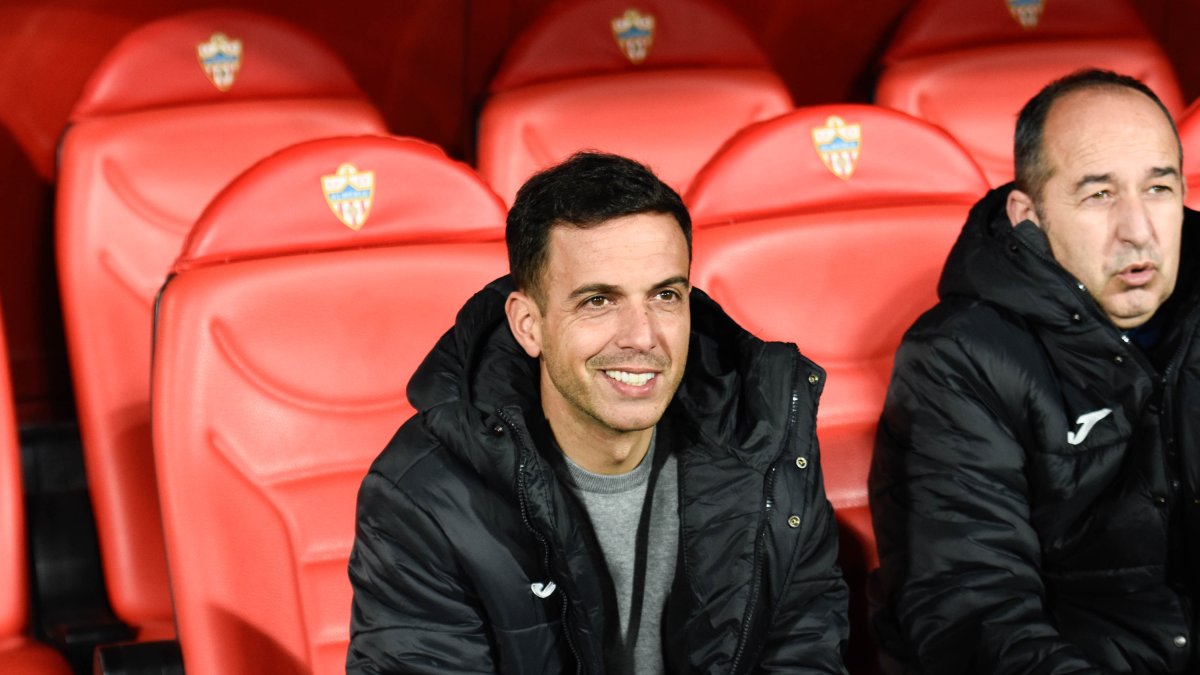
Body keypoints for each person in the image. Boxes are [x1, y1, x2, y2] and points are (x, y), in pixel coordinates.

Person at [347, 151, 849, 674]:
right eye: (598, 301)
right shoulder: (423, 497)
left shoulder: (765, 439)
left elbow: (804, 650)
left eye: (665, 295)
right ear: (528, 325)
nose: (642, 336)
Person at [869, 68, 1199, 674]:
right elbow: (971, 609)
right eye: (1099, 195)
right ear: (1030, 215)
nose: (1138, 231)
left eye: (1158, 189)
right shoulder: (956, 359)